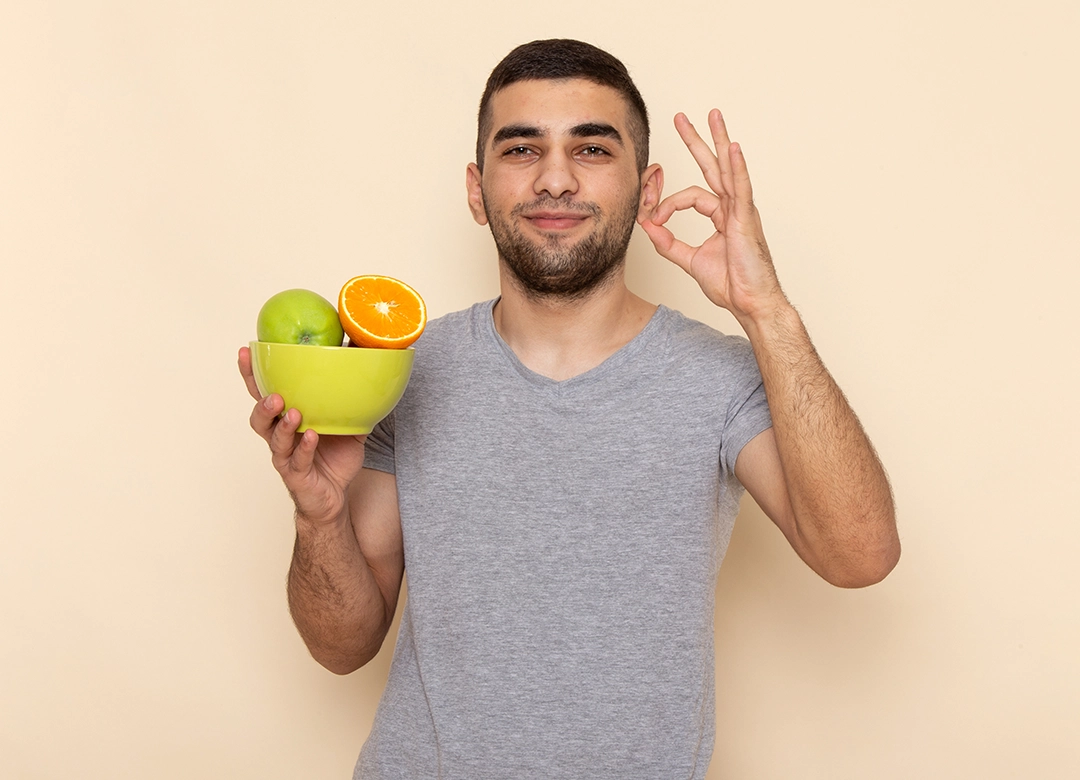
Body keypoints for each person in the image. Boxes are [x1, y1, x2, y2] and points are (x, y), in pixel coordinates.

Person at [238, 38, 899, 779]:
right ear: (475, 188)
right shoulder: (403, 374)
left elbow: (860, 556)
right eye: (521, 150)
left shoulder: (721, 376)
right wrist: (320, 517)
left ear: (647, 192)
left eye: (591, 150)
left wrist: (766, 308)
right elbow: (341, 646)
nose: (555, 179)